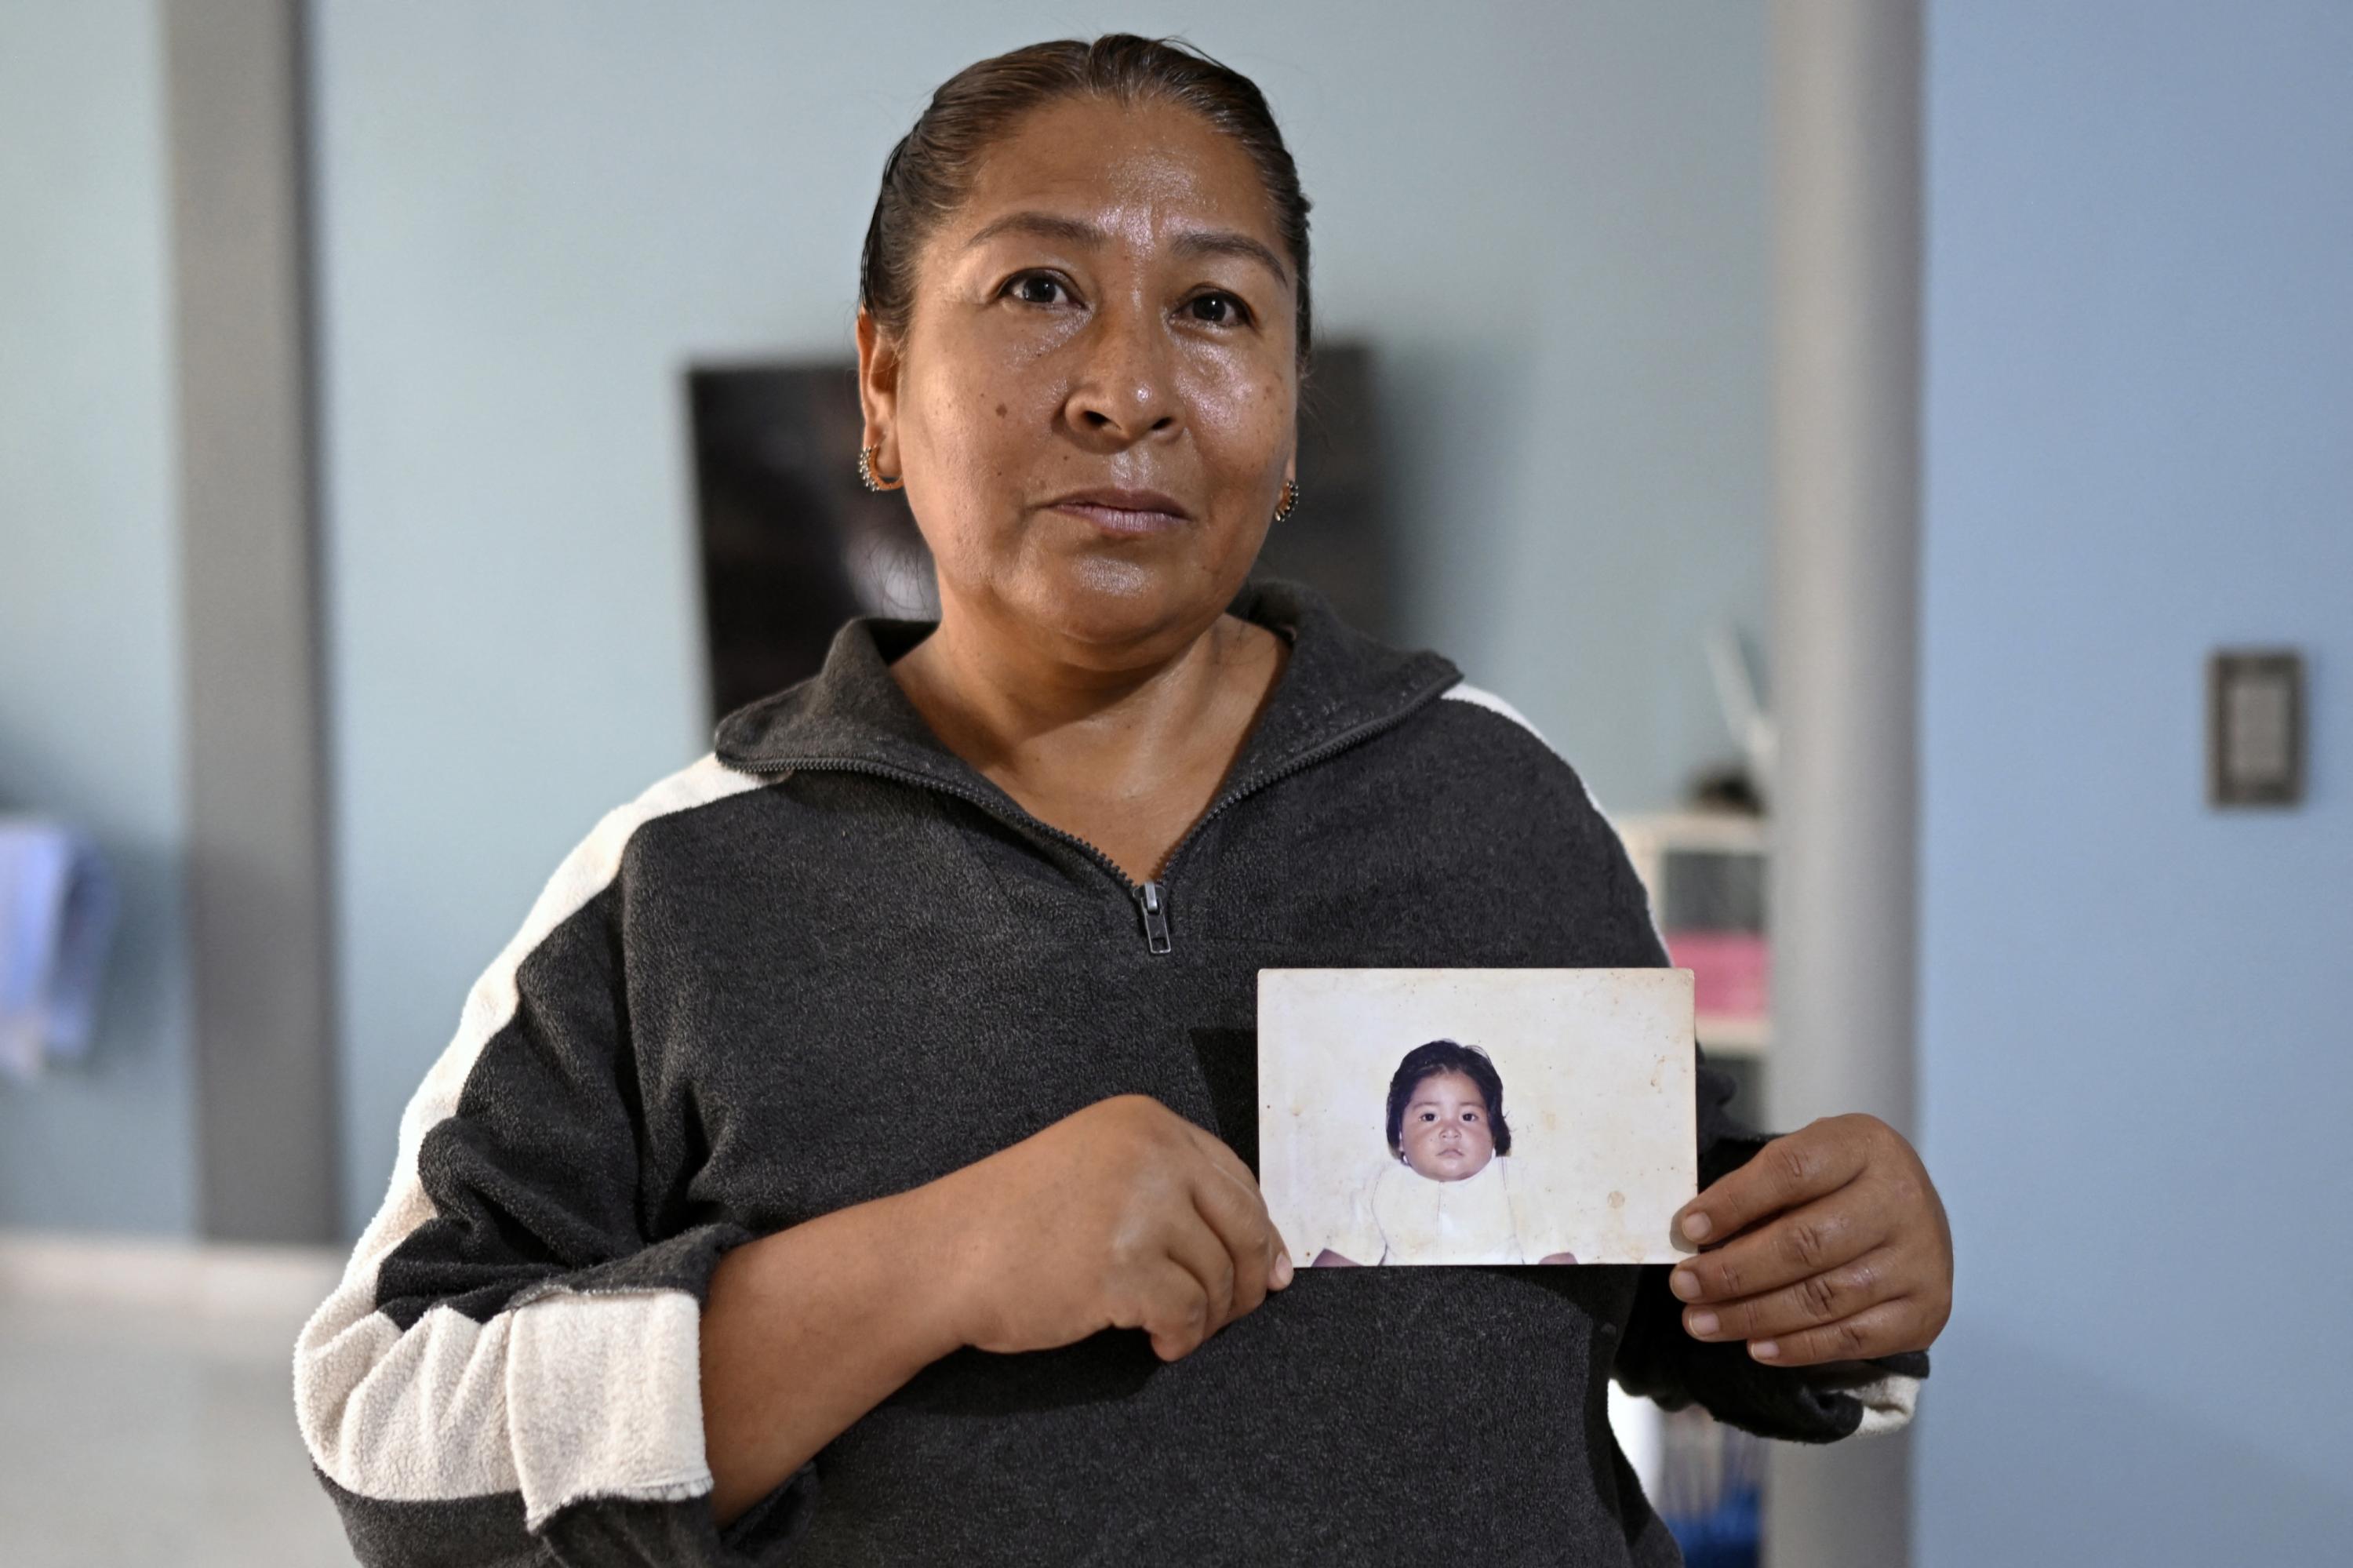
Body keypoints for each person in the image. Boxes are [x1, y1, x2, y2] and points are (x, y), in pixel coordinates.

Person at [294, 34, 1953, 1566]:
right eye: (1037, 289)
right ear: (879, 388)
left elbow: (1652, 1253)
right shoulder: (673, 887)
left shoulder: (1489, 793)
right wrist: (928, 1262)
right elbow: (389, 1437)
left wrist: (1839, 1267)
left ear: (1291, 417)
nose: (1127, 390)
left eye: (1218, 311)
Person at [1311, 1039, 1577, 1267]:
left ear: (1493, 1133)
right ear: (1400, 1137)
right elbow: (1341, 1258)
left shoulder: (1512, 1181)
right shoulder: (1381, 1187)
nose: (1450, 1131)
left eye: (1468, 1116)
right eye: (1429, 1116)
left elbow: (1554, 1258)